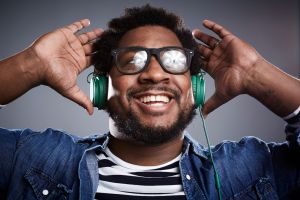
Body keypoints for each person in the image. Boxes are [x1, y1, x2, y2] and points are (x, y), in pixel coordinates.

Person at [0, 4, 299, 200]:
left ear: (194, 87)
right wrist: (31, 64)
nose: (155, 74)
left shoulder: (251, 169)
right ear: (102, 86)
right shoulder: (30, 160)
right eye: (131, 61)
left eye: (173, 61)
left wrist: (257, 74)